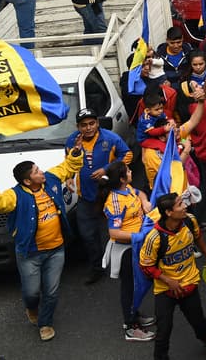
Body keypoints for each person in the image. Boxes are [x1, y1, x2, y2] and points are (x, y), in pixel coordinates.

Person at [0, 145, 85, 341]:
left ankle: (45, 323)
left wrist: (76, 153)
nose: (41, 172)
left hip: (56, 250)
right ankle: (31, 307)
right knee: (31, 292)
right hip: (29, 254)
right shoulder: (15, 195)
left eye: (39, 168)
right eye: (36, 171)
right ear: (27, 181)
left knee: (51, 291)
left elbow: (68, 166)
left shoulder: (51, 179)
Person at [139, 191, 206, 360]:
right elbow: (145, 266)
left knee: (198, 321)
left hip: (189, 284)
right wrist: (168, 281)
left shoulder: (189, 220)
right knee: (163, 330)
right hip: (166, 290)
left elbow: (198, 237)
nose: (185, 206)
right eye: (180, 204)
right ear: (168, 213)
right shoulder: (155, 238)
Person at [65, 108, 133, 285]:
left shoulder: (110, 138)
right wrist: (68, 177)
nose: (88, 128)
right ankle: (97, 268)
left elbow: (127, 154)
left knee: (121, 229)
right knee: (88, 235)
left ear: (97, 123)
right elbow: (68, 161)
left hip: (111, 195)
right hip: (85, 196)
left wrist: (108, 170)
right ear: (78, 126)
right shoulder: (72, 140)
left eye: (91, 123)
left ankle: (130, 263)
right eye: (83, 125)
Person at [98, 160, 156, 341]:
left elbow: (140, 193)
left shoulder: (127, 189)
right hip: (126, 251)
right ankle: (130, 327)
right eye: (129, 171)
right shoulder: (114, 202)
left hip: (137, 247)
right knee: (129, 288)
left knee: (138, 284)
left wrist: (145, 201)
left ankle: (135, 314)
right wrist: (138, 236)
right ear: (122, 178)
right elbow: (114, 232)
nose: (132, 172)